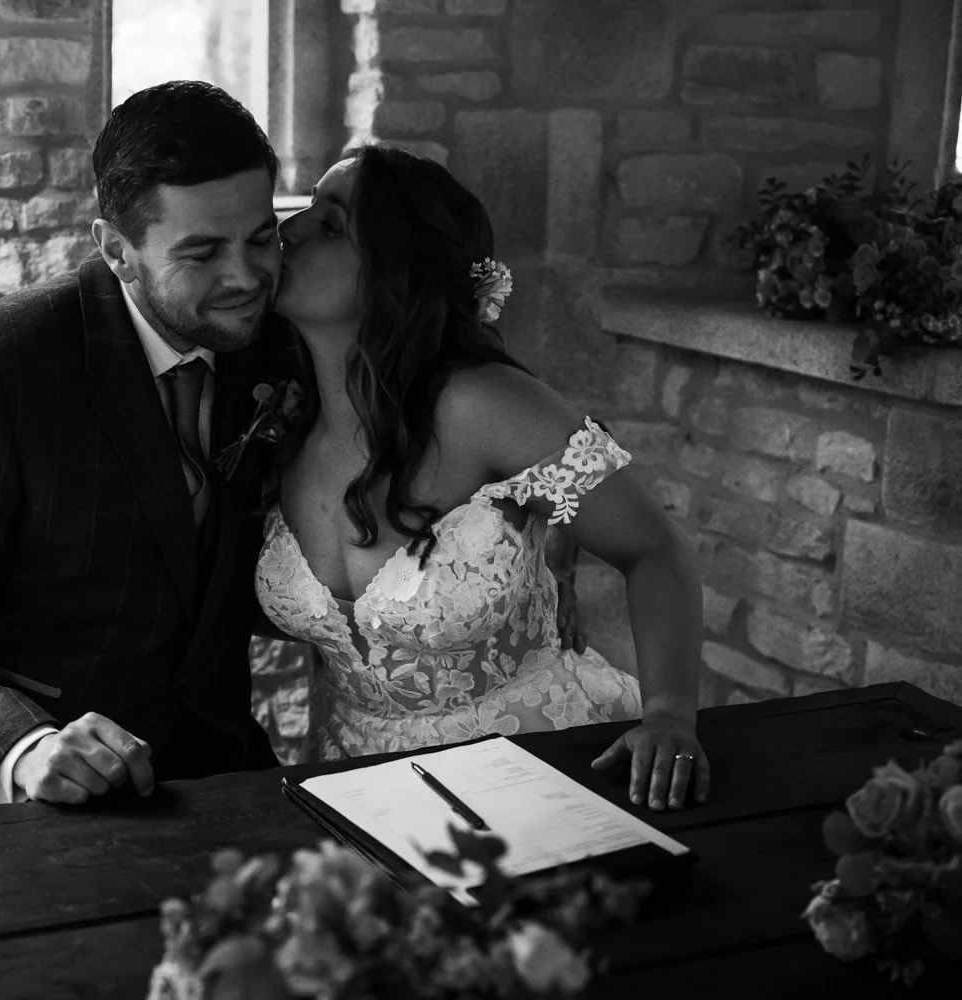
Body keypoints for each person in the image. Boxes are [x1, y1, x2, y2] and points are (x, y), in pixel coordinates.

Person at [0, 81, 297, 821]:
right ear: (116, 250)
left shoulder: (275, 347)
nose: (246, 277)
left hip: (208, 775)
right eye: (202, 251)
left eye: (262, 237)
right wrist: (27, 748)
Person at [258, 144, 710, 812]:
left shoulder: (481, 406)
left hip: (540, 771)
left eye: (330, 225)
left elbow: (655, 549)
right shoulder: (278, 420)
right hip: (352, 789)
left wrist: (671, 714)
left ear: (396, 273)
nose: (286, 229)